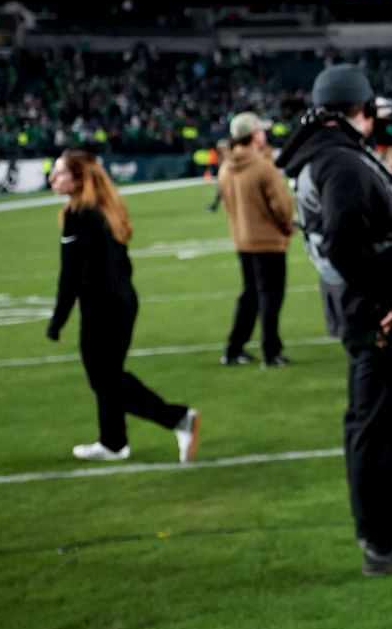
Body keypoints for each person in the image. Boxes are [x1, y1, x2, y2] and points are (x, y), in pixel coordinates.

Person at [281, 64, 392, 577]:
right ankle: (381, 544)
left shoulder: (326, 154)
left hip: (362, 307)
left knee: (379, 422)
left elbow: (358, 238)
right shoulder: (342, 163)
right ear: (362, 108)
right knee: (373, 425)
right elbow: (345, 244)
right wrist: (387, 300)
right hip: (374, 314)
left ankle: (386, 520)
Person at [45, 150, 199, 464]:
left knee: (105, 380)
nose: (52, 178)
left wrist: (57, 320)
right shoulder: (105, 209)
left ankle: (178, 418)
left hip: (103, 308)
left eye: (60, 173)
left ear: (78, 180)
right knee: (109, 375)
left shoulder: (81, 215)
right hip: (121, 303)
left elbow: (70, 276)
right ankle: (113, 442)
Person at [216, 111, 295, 368]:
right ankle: (271, 352)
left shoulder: (226, 167)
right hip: (268, 241)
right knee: (271, 297)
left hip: (243, 240)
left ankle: (234, 348)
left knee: (249, 295)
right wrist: (286, 226)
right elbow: (281, 206)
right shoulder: (263, 167)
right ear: (254, 135)